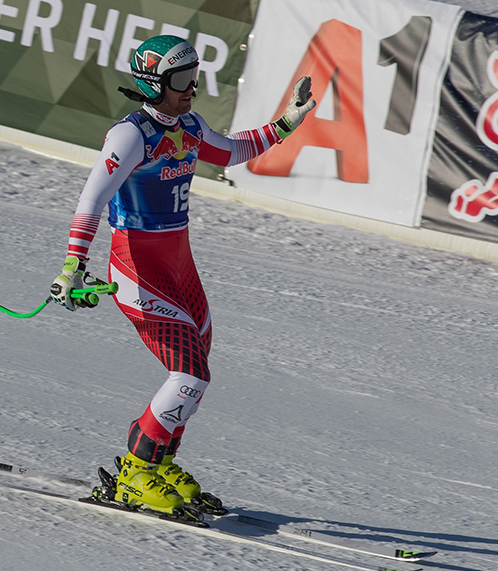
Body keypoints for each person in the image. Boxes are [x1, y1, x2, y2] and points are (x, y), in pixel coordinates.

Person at [50, 35, 316, 516]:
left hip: (180, 265)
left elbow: (233, 151)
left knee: (195, 370)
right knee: (190, 375)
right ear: (154, 84)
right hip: (137, 267)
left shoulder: (189, 125)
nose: (191, 87)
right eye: (180, 79)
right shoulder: (131, 136)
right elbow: (91, 200)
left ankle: (159, 462)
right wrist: (73, 266)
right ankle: (135, 470)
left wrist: (288, 121)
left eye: (194, 75)